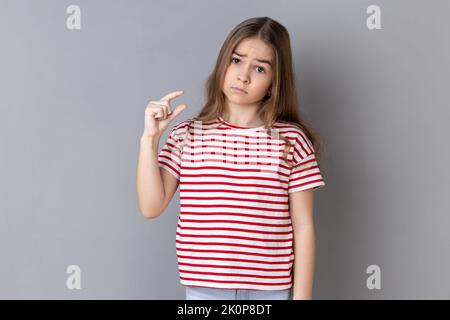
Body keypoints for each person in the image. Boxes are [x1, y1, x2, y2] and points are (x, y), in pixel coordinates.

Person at [136, 16, 326, 300]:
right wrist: (149, 139)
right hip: (204, 290)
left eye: (260, 68)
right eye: (236, 61)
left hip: (270, 291)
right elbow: (151, 207)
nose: (243, 76)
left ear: (275, 81)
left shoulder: (291, 140)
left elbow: (304, 226)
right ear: (223, 64)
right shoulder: (185, 134)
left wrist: (302, 298)